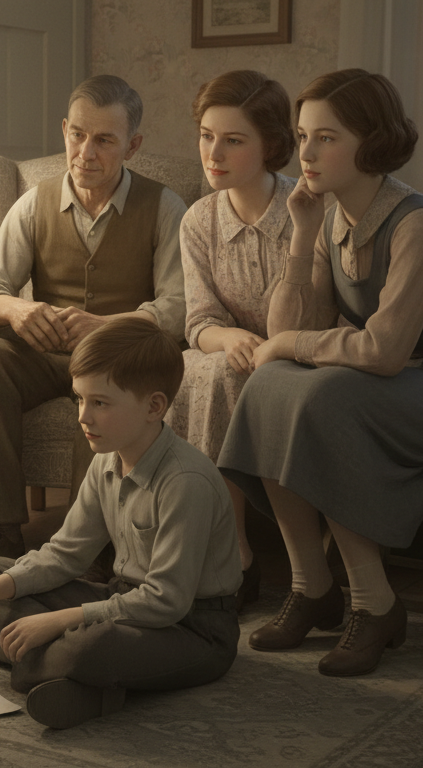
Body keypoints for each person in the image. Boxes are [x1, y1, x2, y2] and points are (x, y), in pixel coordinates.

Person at [217, 69, 423, 676]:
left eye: (326, 137)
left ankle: (376, 603)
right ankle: (312, 586)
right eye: (303, 136)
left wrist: (291, 344)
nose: (306, 153)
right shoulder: (329, 219)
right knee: (268, 386)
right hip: (396, 385)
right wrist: (301, 237)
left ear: (371, 142)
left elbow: (383, 352)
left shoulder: (418, 226)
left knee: (328, 399)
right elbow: (285, 333)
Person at [0, 317, 241, 730]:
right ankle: (62, 674)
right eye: (79, 400)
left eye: (100, 403)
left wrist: (57, 621)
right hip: (122, 599)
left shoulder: (186, 482)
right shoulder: (105, 461)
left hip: (194, 630)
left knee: (92, 646)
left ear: (154, 406)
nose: (83, 417)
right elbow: (64, 554)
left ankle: (1, 649)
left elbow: (165, 602)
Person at [0, 75, 188, 580]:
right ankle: (0, 532)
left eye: (104, 139)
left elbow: (180, 305)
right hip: (44, 355)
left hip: (119, 360)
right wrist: (15, 310)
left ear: (133, 144)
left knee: (106, 389)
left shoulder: (165, 207)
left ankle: (94, 546)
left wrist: (108, 326)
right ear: (64, 130)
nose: (86, 152)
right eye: (78, 134)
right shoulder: (34, 203)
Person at [164, 70, 297, 612]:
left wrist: (262, 345)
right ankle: (229, 549)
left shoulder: (309, 211)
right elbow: (197, 323)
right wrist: (230, 337)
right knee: (207, 370)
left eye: (233, 140)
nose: (212, 153)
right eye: (205, 135)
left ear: (271, 146)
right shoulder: (199, 219)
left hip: (294, 354)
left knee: (234, 374)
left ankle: (237, 557)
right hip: (224, 352)